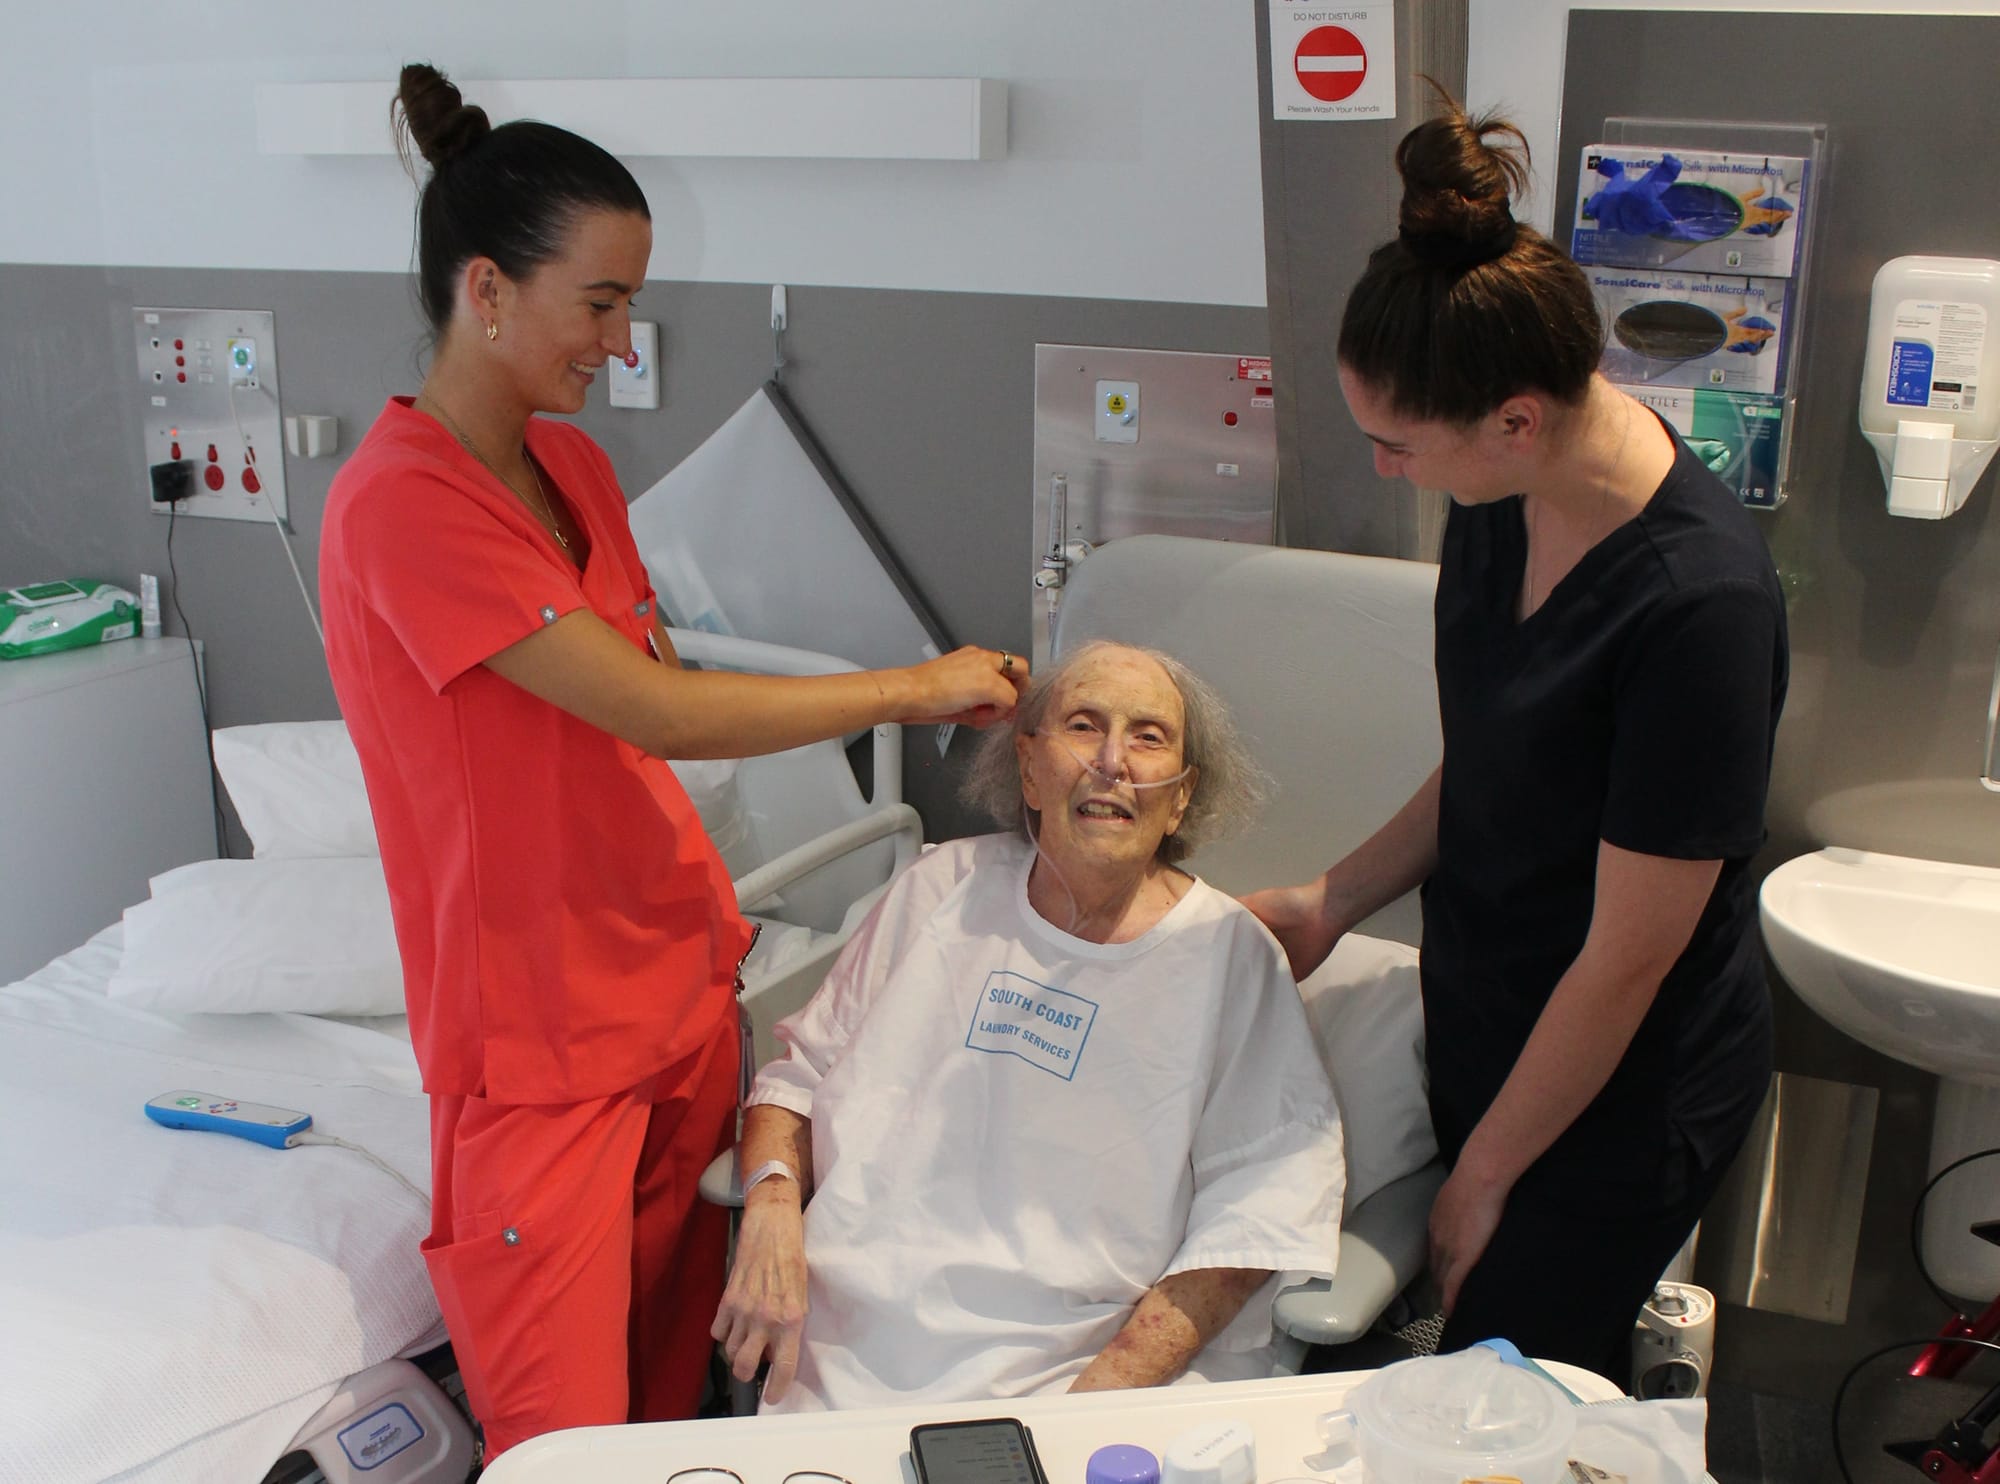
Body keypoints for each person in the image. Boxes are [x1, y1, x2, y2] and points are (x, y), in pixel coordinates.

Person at [317, 63, 1025, 1460]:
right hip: (539, 1048)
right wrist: (919, 683)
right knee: (569, 1443)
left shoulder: (572, 473)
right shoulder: (399, 507)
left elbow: (657, 689)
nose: (622, 339)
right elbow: (653, 711)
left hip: (675, 996)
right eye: (601, 302)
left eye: (630, 301)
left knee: (674, 1409)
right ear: (486, 290)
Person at [1244, 96, 1788, 1386]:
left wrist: (1483, 1173)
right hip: (1491, 1015)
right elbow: (1493, 759)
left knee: (1499, 1387)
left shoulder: (1695, 608)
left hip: (1620, 1085)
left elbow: (1624, 956)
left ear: (1516, 416)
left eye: (1396, 444)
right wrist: (1331, 897)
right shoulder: (1500, 498)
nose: (1387, 471)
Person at [710, 642, 1345, 1411]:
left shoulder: (1227, 958)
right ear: (1031, 767)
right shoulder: (942, 888)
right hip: (845, 1349)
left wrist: (1082, 1410)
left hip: (1075, 1374)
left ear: (1181, 797)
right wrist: (773, 1209)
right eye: (1084, 726)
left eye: (1149, 737)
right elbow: (796, 1080)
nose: (1113, 761)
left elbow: (1257, 1216)